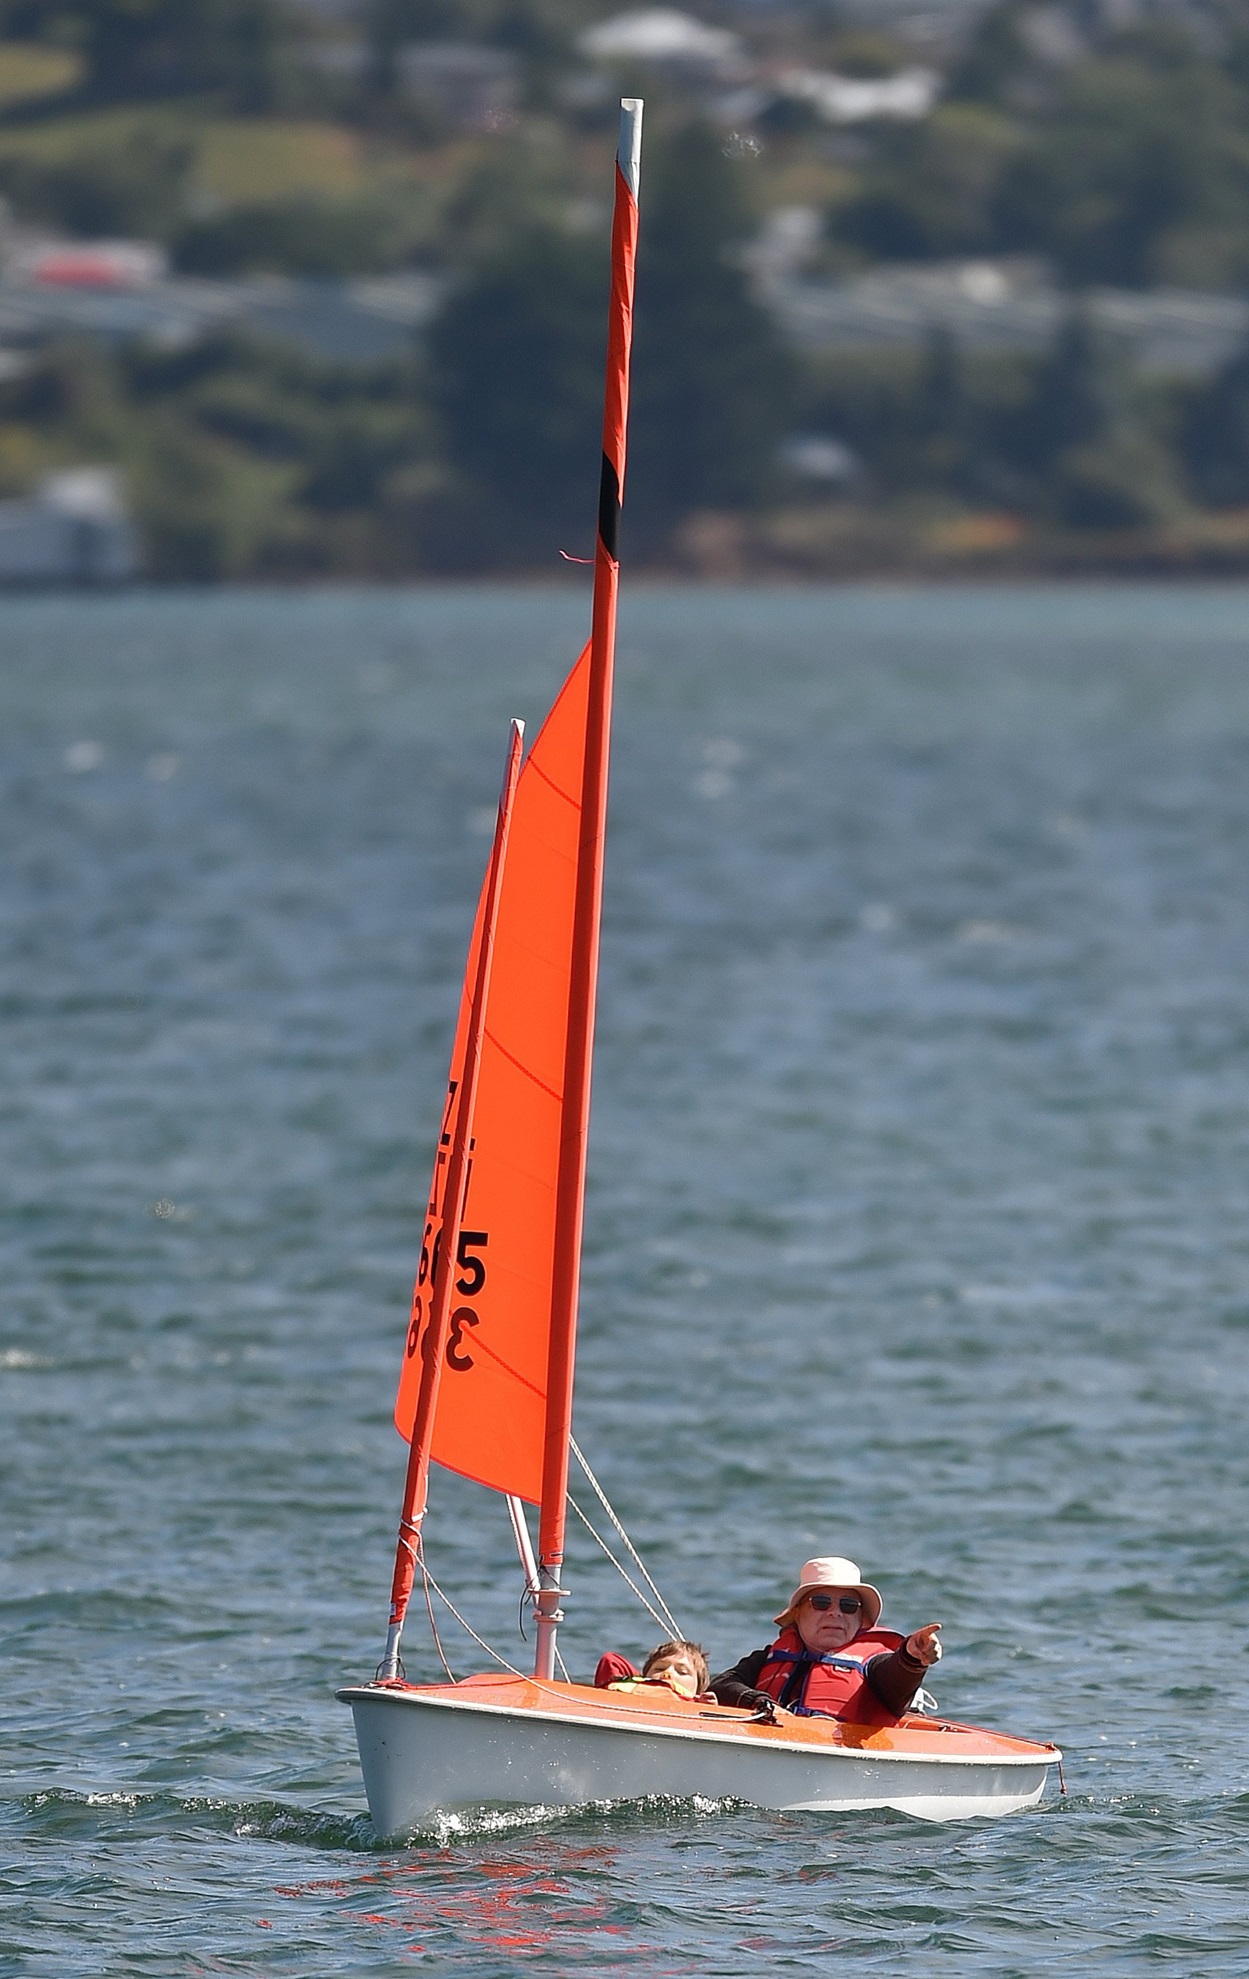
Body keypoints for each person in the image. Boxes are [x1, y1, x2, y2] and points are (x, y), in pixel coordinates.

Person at [707, 1556, 941, 1725]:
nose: (835, 1612)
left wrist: (912, 1657)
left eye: (849, 1606)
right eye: (821, 1602)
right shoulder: (767, 1658)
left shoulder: (875, 1666)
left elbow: (897, 1676)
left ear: (861, 1619)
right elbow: (721, 1685)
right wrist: (759, 1702)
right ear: (797, 1613)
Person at [594, 1640, 710, 1699]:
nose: (667, 1673)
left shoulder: (698, 1705)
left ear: (698, 1691)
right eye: (659, 1668)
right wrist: (639, 1681)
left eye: (682, 1672)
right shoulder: (631, 1689)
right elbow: (610, 1660)